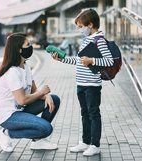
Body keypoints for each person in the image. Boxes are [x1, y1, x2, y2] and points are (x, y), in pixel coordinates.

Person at [51, 9, 113, 156]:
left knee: (93, 114)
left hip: (92, 85)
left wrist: (92, 60)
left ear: (90, 25)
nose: (79, 29)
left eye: (80, 26)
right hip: (81, 84)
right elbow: (79, 61)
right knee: (84, 113)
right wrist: (62, 59)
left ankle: (95, 144)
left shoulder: (99, 40)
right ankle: (85, 142)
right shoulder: (86, 40)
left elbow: (109, 61)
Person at [0, 32, 60, 152]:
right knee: (46, 129)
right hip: (8, 115)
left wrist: (46, 95)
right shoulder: (12, 72)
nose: (31, 47)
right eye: (28, 44)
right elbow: (22, 99)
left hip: (21, 109)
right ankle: (7, 133)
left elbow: (34, 90)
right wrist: (42, 93)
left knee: (54, 99)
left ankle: (37, 142)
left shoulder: (25, 65)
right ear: (19, 50)